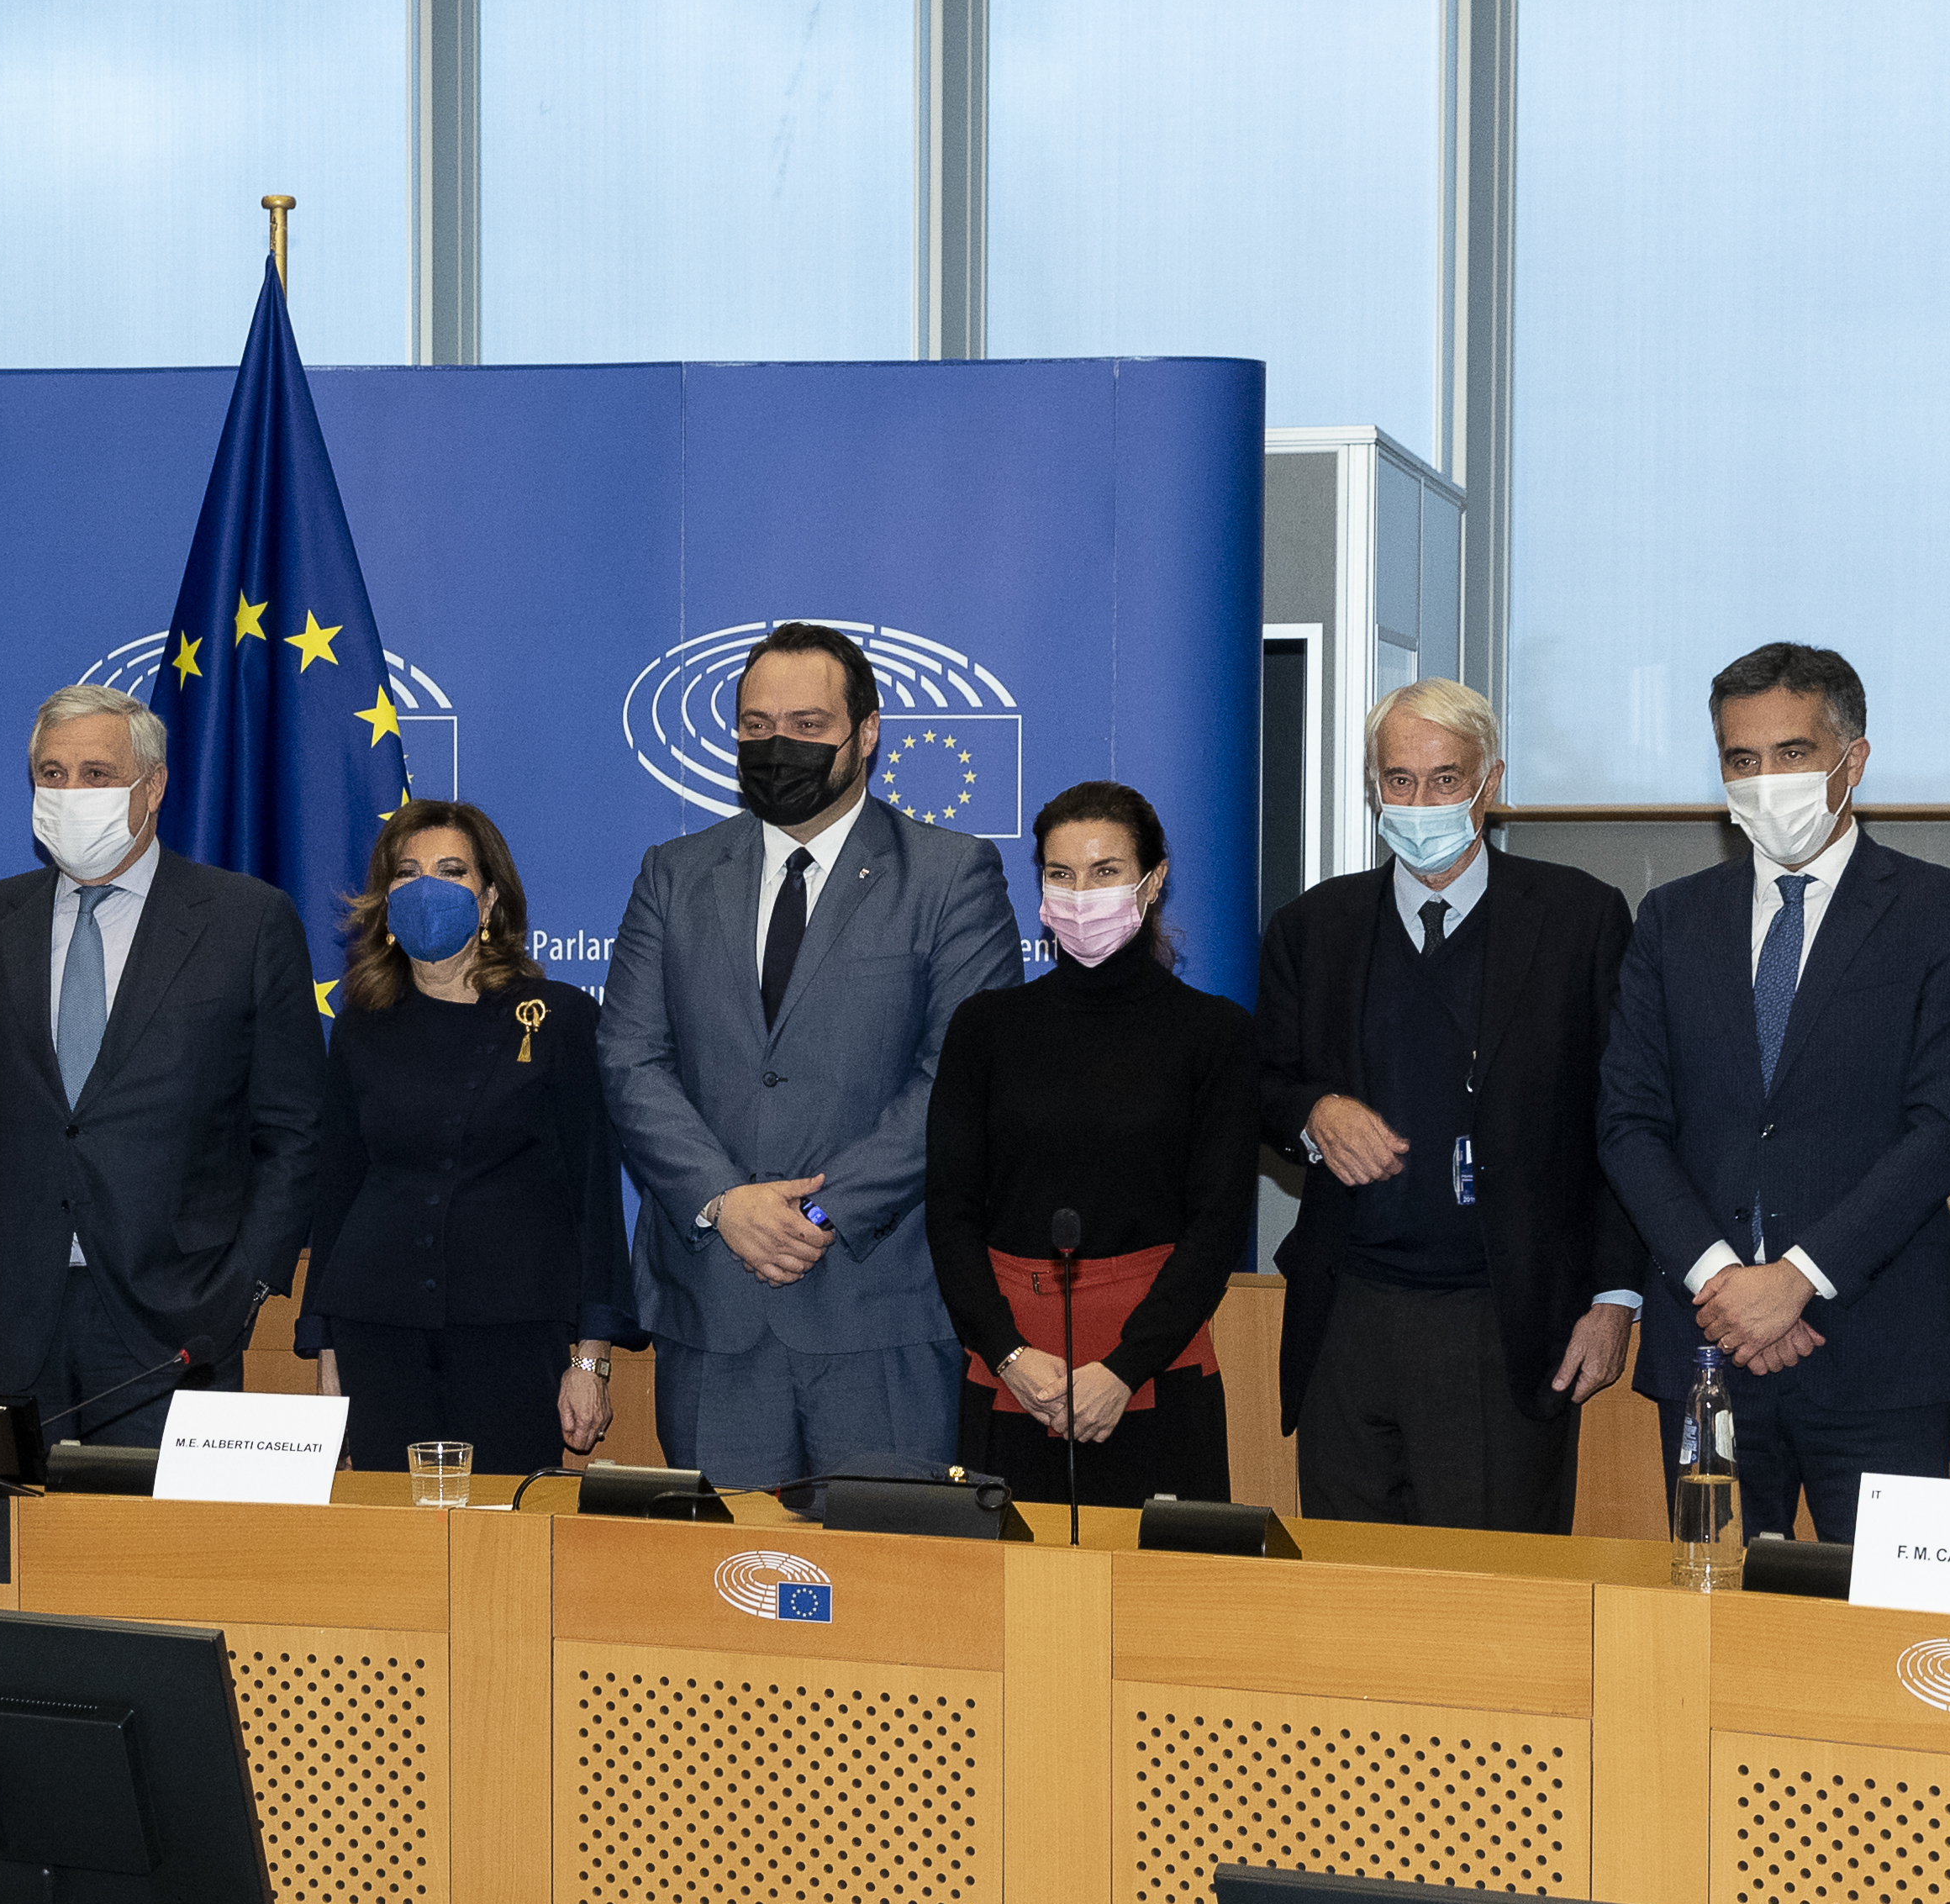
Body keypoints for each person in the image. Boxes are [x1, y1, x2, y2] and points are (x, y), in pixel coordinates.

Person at [599, 622, 1028, 1489]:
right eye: (753, 727)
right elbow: (629, 1058)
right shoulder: (672, 873)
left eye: (804, 724)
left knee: (890, 1596)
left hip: (878, 1311)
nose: (775, 746)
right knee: (723, 1600)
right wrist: (725, 1203)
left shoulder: (950, 875)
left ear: (865, 733)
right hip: (715, 1310)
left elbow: (955, 1077)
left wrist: (815, 1218)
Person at [1600, 642, 1950, 1544]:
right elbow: (1628, 1121)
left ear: (1850, 760)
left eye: (1790, 753)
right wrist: (1725, 1284)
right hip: (1705, 1346)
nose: (1765, 780)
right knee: (1709, 1638)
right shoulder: (1670, 920)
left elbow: (1944, 1130)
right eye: (1740, 760)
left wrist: (1795, 1280)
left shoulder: (1944, 913)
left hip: (1873, 1353)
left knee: (1886, 1648)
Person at [1252, 682, 1644, 1532]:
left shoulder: (1579, 920)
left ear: (1489, 783)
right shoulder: (1311, 928)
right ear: (1372, 787)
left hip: (1506, 1316)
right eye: (1398, 780)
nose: (1419, 801)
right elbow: (1262, 1081)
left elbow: (1623, 1119)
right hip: (1348, 1315)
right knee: (1347, 1591)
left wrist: (1615, 1295)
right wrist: (1313, 1110)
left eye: (1442, 779)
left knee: (1497, 1601)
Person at [0, 685, 338, 1423]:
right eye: (52, 774)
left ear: (154, 787)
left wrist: (242, 1287)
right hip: (12, 1319)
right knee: (16, 1537)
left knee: (160, 1543)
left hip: (180, 1319)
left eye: (97, 775)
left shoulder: (248, 921)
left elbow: (295, 1128)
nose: (70, 793)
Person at [925, 782, 1255, 1510]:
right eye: (1061, 874)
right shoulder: (984, 1028)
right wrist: (1009, 1355)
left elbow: (1220, 1224)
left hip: (1155, 1368)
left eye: (1105, 871)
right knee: (1006, 1603)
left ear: (1153, 878)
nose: (1082, 894)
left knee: (1161, 1603)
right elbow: (949, 1211)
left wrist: (1124, 1369)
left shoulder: (1216, 1034)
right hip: (1014, 1370)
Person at [294, 801, 635, 1476]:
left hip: (515, 1331)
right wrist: (325, 1343)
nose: (428, 887)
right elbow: (337, 1188)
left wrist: (590, 1360)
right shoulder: (361, 1022)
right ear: (386, 899)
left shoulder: (557, 1016)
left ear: (488, 902)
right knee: (395, 1552)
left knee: (500, 1550)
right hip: (376, 1328)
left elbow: (595, 1197)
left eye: (452, 871)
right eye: (408, 872)